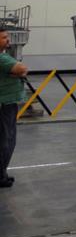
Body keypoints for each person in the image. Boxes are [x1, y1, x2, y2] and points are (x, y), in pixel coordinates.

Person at [0, 28, 29, 188]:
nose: (8, 40)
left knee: (7, 139)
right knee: (6, 140)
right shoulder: (2, 58)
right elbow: (22, 69)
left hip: (7, 103)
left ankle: (2, 172)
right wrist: (18, 72)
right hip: (5, 104)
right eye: (4, 38)